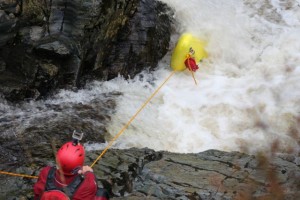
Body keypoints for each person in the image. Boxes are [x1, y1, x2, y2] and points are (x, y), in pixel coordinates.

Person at [33, 137, 110, 200]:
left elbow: (37, 194)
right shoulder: (88, 181)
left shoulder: (46, 172)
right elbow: (93, 186)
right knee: (101, 193)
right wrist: (89, 172)